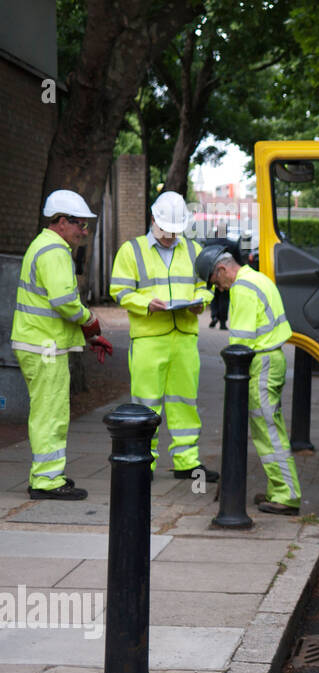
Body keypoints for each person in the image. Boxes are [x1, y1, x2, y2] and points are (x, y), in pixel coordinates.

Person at [10, 190, 113, 500]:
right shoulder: (54, 251)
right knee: (50, 413)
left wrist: (88, 337)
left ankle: (48, 475)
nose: (84, 231)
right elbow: (64, 302)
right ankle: (46, 480)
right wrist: (90, 320)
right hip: (44, 346)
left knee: (48, 411)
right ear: (62, 221)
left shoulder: (43, 246)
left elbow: (51, 305)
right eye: (80, 224)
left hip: (39, 342)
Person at [109, 191, 218, 482]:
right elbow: (119, 291)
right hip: (148, 337)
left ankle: (187, 461)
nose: (170, 236)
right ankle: (145, 462)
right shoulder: (131, 251)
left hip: (184, 336)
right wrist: (146, 304)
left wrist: (200, 300)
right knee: (146, 404)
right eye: (166, 230)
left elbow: (207, 286)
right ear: (153, 219)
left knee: (185, 403)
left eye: (175, 230)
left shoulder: (194, 250)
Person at [194, 245, 301, 515]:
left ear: (221, 269)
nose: (218, 288)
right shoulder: (258, 278)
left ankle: (286, 494)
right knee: (270, 428)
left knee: (268, 432)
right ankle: (278, 489)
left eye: (215, 281)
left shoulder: (242, 288)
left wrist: (233, 379)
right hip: (272, 359)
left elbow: (239, 345)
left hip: (261, 364)